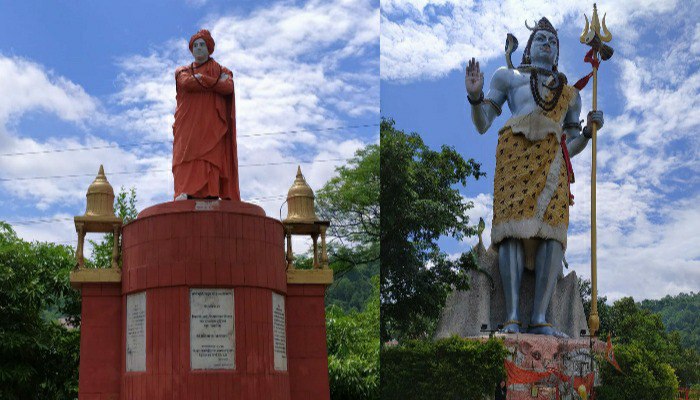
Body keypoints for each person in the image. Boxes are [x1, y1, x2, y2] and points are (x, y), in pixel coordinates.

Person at [465, 18, 603, 336]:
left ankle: (540, 317)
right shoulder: (508, 78)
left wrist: (587, 131)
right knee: (511, 232)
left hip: (553, 165)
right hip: (514, 157)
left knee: (553, 234)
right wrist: (474, 97)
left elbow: (573, 143)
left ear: (556, 53)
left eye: (552, 41)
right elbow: (483, 122)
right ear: (529, 48)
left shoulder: (569, 94)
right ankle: (512, 316)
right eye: (540, 38)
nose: (546, 43)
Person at [172, 29, 240, 201]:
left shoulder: (221, 69)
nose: (198, 48)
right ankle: (185, 190)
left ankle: (211, 191)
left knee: (210, 155)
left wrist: (203, 80)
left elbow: (228, 87)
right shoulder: (182, 70)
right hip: (187, 123)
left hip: (211, 123)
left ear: (209, 48)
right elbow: (186, 83)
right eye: (195, 45)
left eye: (202, 45)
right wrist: (214, 82)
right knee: (186, 153)